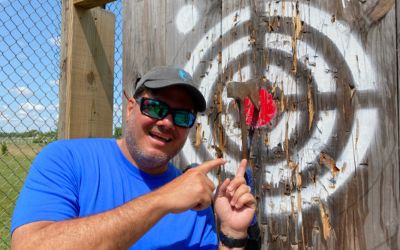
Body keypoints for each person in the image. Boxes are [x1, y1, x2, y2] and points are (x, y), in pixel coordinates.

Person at [11, 66, 257, 249]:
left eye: (182, 116)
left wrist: (232, 233)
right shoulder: (66, 160)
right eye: (155, 107)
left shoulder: (196, 200)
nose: (167, 122)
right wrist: (163, 198)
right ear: (131, 108)